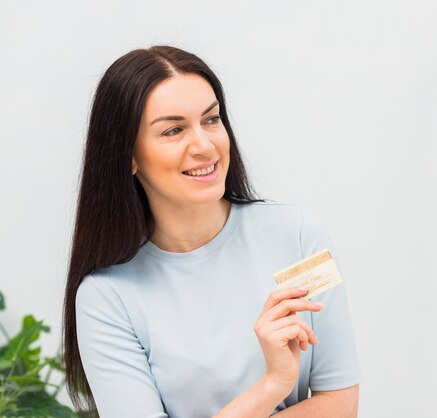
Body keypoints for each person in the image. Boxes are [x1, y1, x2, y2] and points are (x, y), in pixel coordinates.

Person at [61, 45, 362, 418]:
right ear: (129, 157)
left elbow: (341, 403)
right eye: (173, 130)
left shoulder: (299, 236)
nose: (204, 146)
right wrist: (272, 385)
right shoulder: (107, 297)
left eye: (211, 119)